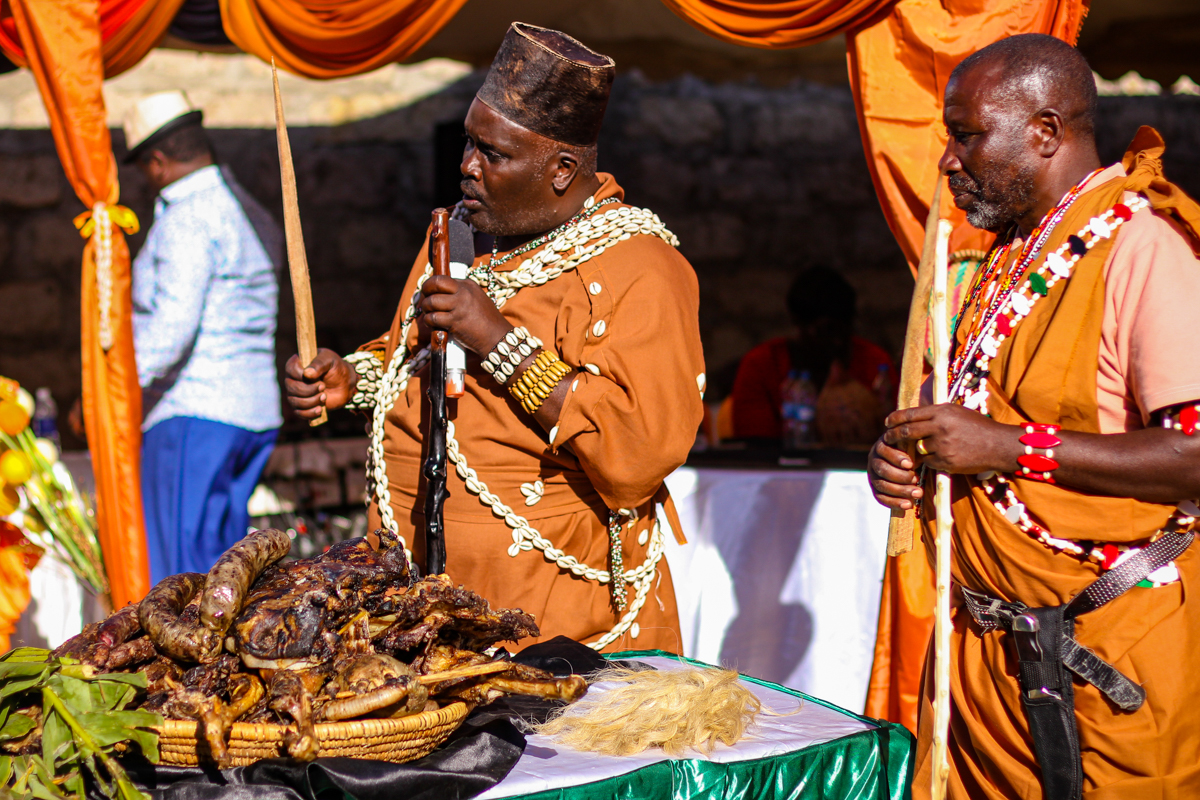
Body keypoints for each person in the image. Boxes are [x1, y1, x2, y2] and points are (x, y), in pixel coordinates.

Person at [285, 23, 705, 653]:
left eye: (494, 154)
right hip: (413, 604)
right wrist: (351, 378)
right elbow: (406, 352)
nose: (467, 168)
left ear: (562, 170)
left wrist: (498, 340)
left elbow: (637, 455)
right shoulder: (457, 236)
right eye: (469, 144)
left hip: (554, 626)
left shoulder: (640, 267)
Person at [867, 35, 1200, 799]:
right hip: (989, 664)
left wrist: (1008, 447)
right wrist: (909, 462)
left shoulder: (1142, 244)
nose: (948, 159)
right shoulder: (1001, 258)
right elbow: (972, 421)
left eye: (967, 134)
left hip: (1112, 653)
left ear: (1045, 132)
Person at [124, 91, 284, 584]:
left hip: (193, 413)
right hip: (251, 411)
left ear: (156, 162)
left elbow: (171, 330)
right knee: (226, 577)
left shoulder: (186, 219)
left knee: (180, 584)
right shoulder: (250, 211)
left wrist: (113, 393)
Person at [730, 267, 895, 445]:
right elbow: (755, 447)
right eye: (826, 330)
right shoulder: (762, 365)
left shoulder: (875, 363)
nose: (838, 342)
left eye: (845, 330)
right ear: (798, 323)